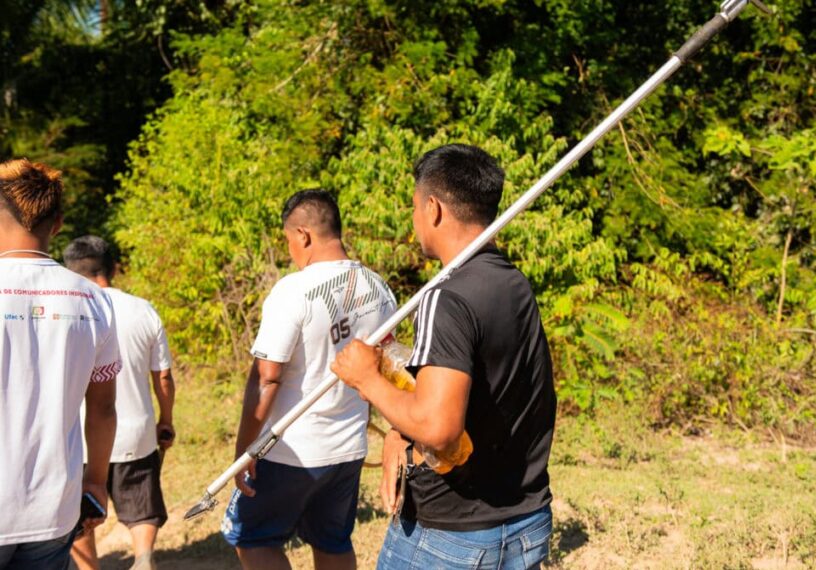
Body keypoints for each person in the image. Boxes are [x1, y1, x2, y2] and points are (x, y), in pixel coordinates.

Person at [331, 144, 557, 569]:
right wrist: (401, 432)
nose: (414, 220)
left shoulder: (445, 296)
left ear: (433, 208)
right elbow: (488, 395)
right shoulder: (512, 282)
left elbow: (438, 429)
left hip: (453, 539)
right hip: (523, 522)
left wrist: (368, 379)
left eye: (415, 207)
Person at [220, 190, 397, 570]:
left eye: (288, 241)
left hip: (290, 450)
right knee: (332, 541)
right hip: (348, 447)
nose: (291, 252)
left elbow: (267, 379)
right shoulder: (378, 286)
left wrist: (244, 451)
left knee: (252, 539)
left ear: (302, 235)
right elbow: (389, 362)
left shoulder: (293, 290)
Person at [0, 159, 120, 569]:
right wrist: (96, 482)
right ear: (58, 224)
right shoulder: (93, 299)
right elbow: (103, 407)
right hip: (54, 509)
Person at [63, 236, 176, 570]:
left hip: (82, 438)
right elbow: (164, 377)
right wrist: (165, 420)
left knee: (81, 515)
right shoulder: (143, 309)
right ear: (112, 268)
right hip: (135, 432)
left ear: (71, 272)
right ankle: (143, 559)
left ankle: (89, 568)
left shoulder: (70, 311)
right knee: (142, 506)